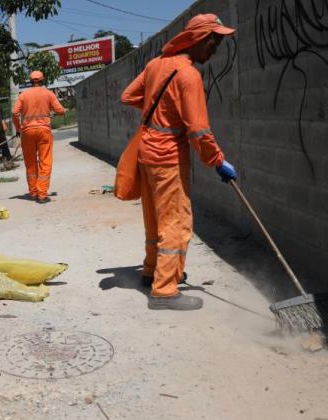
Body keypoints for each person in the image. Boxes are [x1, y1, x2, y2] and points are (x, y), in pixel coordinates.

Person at [120, 14, 238, 311]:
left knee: (155, 219)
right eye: (214, 41)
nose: (216, 47)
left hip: (147, 154)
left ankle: (151, 272)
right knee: (176, 222)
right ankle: (164, 290)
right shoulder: (189, 76)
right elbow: (199, 130)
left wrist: (155, 108)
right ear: (198, 39)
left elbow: (128, 96)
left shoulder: (155, 65)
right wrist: (218, 161)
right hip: (169, 157)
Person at [11, 70, 66, 204]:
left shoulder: (23, 95)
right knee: (45, 162)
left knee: (30, 163)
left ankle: (34, 192)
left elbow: (14, 112)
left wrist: (19, 128)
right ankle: (42, 194)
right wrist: (62, 112)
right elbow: (60, 110)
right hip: (43, 131)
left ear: (30, 81)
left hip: (27, 132)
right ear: (43, 80)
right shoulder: (48, 93)